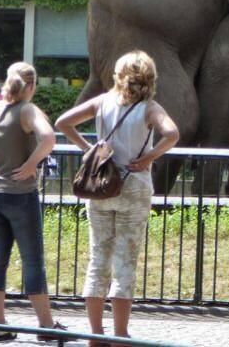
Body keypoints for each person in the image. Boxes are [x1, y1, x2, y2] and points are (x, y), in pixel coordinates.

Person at [56, 51, 179, 347]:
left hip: (101, 185)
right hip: (133, 184)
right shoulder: (149, 108)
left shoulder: (101, 102)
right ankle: (120, 335)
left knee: (98, 258)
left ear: (118, 75)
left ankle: (95, 333)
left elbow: (63, 122)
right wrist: (149, 157)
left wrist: (89, 149)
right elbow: (172, 133)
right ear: (149, 77)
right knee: (125, 261)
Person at [0, 62, 67, 342]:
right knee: (32, 260)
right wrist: (32, 163)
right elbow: (49, 137)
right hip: (21, 194)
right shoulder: (26, 110)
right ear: (31, 85)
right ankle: (45, 327)